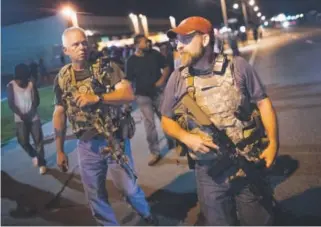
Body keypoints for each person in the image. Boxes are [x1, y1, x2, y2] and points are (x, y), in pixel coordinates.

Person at [161, 16, 278, 225]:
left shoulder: (238, 67)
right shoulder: (177, 78)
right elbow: (166, 120)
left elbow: (263, 102)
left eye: (185, 39)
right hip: (209, 174)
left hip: (246, 163)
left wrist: (273, 143)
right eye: (176, 40)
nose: (178, 45)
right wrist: (186, 137)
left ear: (205, 40)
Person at [52, 27, 156, 225]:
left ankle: (147, 215)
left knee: (128, 188)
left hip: (113, 140)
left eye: (84, 42)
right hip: (86, 146)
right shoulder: (63, 78)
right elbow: (59, 113)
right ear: (65, 50)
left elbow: (127, 94)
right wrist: (59, 150)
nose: (82, 47)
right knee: (95, 195)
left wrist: (97, 98)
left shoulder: (106, 66)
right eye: (75, 44)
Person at [126, 34, 173, 166]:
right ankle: (155, 152)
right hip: (142, 96)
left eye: (148, 42)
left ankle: (172, 140)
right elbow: (128, 80)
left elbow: (166, 67)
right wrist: (128, 100)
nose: (148, 44)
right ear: (137, 44)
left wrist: (162, 80)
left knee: (166, 118)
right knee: (149, 125)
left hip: (158, 93)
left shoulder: (154, 54)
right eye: (144, 42)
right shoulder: (131, 61)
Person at [7, 63, 47, 175]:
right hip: (20, 119)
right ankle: (34, 155)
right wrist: (21, 114)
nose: (22, 82)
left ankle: (42, 164)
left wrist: (30, 113)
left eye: (25, 79)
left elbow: (36, 101)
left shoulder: (31, 84)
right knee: (23, 141)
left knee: (38, 141)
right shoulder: (11, 86)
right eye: (20, 79)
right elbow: (11, 103)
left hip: (33, 117)